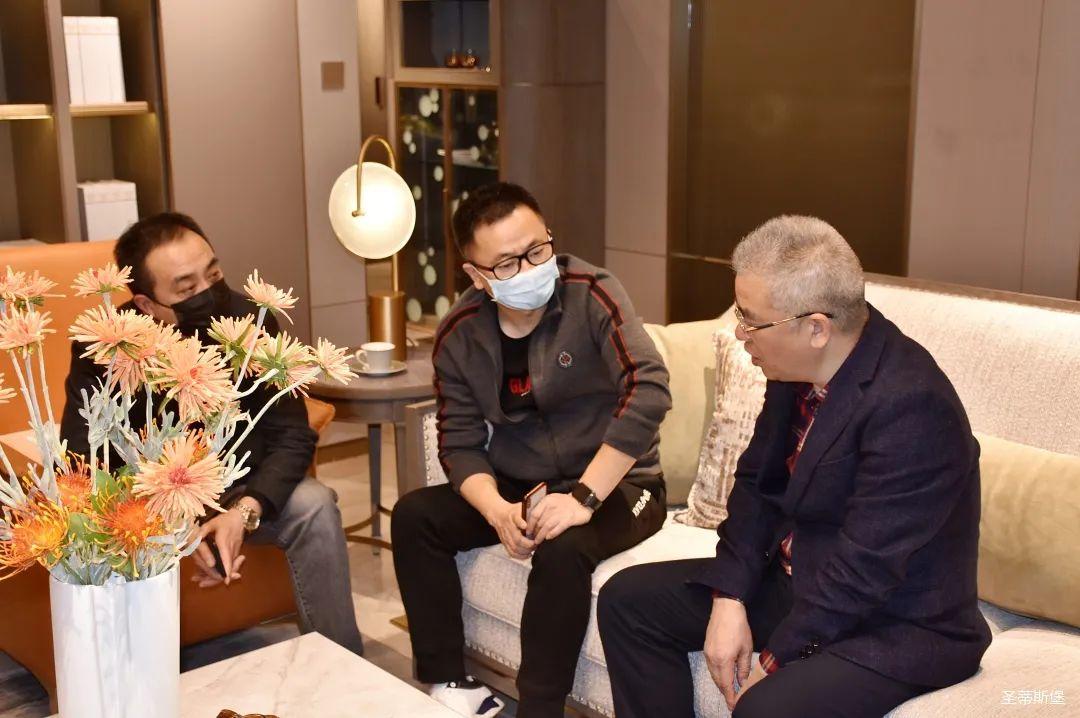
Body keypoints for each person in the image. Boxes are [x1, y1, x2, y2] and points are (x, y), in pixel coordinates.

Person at [597, 215, 991, 718]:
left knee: (764, 708)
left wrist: (777, 657)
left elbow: (864, 570)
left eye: (750, 321)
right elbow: (757, 486)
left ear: (816, 328)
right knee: (628, 602)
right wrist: (730, 594)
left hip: (892, 622)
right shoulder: (794, 369)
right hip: (800, 580)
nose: (740, 334)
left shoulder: (912, 405)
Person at [391, 182, 671, 718]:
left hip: (620, 485)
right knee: (415, 516)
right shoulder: (459, 335)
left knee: (564, 547)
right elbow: (459, 442)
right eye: (506, 264)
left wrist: (583, 498)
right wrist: (498, 511)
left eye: (537, 250)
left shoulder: (592, 293)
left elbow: (649, 388)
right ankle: (449, 683)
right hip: (525, 484)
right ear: (476, 275)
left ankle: (539, 710)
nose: (529, 269)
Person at [59, 212, 364, 656]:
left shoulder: (250, 321)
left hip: (239, 486)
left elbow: (292, 434)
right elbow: (84, 455)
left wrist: (245, 512)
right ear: (146, 304)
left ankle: (343, 664)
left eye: (214, 275)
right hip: (149, 501)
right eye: (187, 289)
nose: (208, 292)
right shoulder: (106, 345)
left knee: (314, 504)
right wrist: (167, 525)